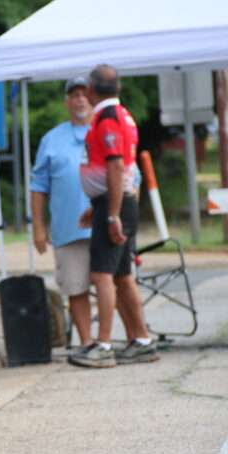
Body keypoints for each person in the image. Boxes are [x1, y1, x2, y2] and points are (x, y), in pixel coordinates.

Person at [68, 64, 157, 368]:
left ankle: (103, 345)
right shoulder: (124, 115)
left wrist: (111, 214)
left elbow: (116, 166)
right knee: (122, 275)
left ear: (92, 90)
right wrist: (101, 205)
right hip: (113, 200)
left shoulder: (107, 119)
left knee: (102, 275)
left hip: (115, 203)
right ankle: (142, 339)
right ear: (117, 88)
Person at [31, 77, 94, 346]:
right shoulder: (52, 139)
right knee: (75, 287)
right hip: (68, 230)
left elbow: (131, 178)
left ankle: (117, 340)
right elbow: (38, 185)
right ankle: (87, 342)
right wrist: (38, 227)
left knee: (114, 284)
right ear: (67, 102)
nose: (80, 99)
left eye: (85, 94)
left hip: (106, 227)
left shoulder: (106, 130)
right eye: (74, 95)